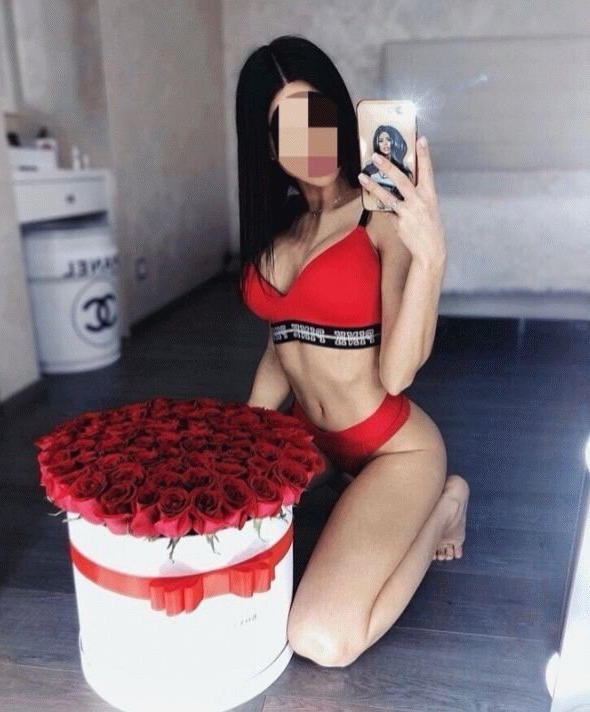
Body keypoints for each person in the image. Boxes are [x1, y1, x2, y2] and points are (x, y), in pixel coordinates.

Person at [235, 35, 470, 668]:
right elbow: (283, 342)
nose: (309, 139)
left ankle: (444, 507)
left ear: (340, 115)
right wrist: (244, 440)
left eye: (317, 114)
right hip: (309, 438)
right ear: (266, 144)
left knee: (322, 639)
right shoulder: (281, 230)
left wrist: (431, 256)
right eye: (286, 126)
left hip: (392, 445)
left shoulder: (379, 218)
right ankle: (343, 488)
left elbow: (397, 374)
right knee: (215, 521)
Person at [362, 125, 414, 204]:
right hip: (372, 202)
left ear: (395, 141)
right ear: (377, 143)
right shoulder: (369, 168)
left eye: (389, 140)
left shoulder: (403, 170)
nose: (385, 144)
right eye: (381, 141)